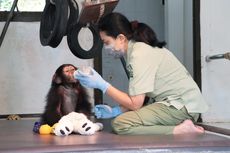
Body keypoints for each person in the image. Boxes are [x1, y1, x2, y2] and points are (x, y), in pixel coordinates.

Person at [75, 12, 209, 135]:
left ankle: (180, 130)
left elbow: (135, 103)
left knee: (121, 124)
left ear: (121, 38)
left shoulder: (139, 54)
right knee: (122, 116)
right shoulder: (136, 50)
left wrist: (102, 85)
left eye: (106, 42)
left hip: (181, 107)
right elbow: (141, 96)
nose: (105, 48)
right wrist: (116, 110)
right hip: (177, 104)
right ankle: (179, 125)